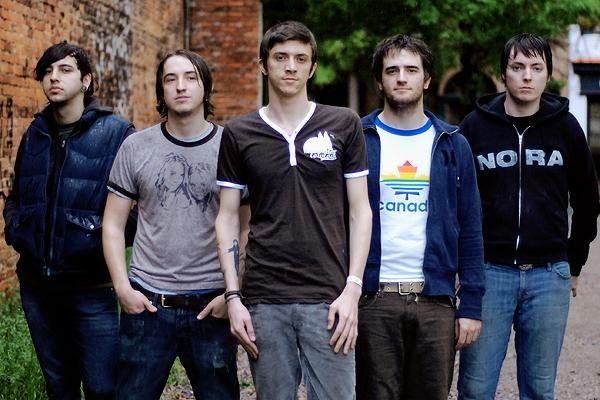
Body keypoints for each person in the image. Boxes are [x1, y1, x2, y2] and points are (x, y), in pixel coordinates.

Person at [215, 21, 372, 399]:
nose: (290, 66)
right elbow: (227, 217)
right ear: (263, 65)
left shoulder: (343, 123)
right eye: (281, 57)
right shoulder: (239, 132)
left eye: (301, 59)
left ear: (312, 68)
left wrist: (352, 289)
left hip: (329, 296)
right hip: (265, 296)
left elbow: (361, 211)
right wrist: (233, 296)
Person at [457, 33, 600, 400]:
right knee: (475, 387)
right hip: (489, 272)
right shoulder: (474, 127)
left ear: (548, 75)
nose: (526, 76)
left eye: (536, 68)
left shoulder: (565, 127)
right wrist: (464, 268)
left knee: (539, 389)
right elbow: (457, 201)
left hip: (548, 275)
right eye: (517, 67)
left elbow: (587, 199)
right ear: (504, 73)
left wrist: (574, 262)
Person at [102, 49, 239, 399]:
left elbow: (247, 227)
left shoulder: (231, 146)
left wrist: (232, 293)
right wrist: (123, 289)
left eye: (191, 77)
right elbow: (113, 225)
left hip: (211, 304)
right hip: (148, 303)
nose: (181, 86)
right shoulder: (136, 147)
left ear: (206, 87)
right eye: (170, 79)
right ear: (160, 91)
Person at [355, 34, 485, 400]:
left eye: (411, 70)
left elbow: (471, 228)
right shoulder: (358, 139)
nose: (401, 77)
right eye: (392, 70)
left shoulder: (453, 144)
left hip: (434, 301)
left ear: (426, 79)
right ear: (379, 80)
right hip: (373, 299)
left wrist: (471, 305)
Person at [2, 42, 134, 399]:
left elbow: (139, 209)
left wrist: (92, 237)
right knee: (59, 387)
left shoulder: (117, 133)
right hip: (39, 288)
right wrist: (17, 229)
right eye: (47, 72)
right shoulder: (36, 132)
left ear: (85, 80)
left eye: (64, 70)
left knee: (103, 388)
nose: (53, 78)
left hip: (91, 286)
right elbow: (16, 195)